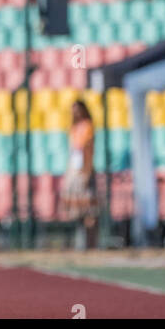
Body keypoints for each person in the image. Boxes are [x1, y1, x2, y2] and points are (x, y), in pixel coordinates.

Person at [62, 99, 97, 248]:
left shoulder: (87, 127)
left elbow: (87, 150)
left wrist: (87, 170)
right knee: (76, 210)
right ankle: (81, 242)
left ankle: (91, 243)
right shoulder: (74, 128)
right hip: (74, 169)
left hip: (83, 169)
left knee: (88, 210)